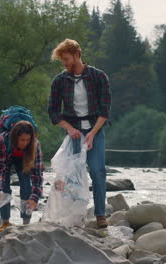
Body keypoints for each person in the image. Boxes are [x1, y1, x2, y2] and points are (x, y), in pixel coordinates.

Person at [48, 38, 111, 229]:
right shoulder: (59, 81)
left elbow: (104, 111)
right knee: (71, 175)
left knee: (98, 171)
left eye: (66, 59)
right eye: (62, 61)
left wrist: (92, 133)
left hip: (95, 130)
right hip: (74, 132)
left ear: (77, 55)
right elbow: (53, 111)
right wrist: (69, 128)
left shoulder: (99, 77)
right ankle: (72, 217)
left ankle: (100, 215)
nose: (65, 63)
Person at [0, 120, 44, 233]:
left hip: (24, 158)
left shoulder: (34, 145)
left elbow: (38, 175)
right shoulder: (2, 142)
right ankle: (5, 222)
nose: (25, 143)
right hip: (8, 155)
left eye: (28, 140)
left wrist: (34, 198)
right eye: (22, 140)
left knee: (26, 184)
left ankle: (26, 223)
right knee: (4, 187)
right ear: (15, 138)